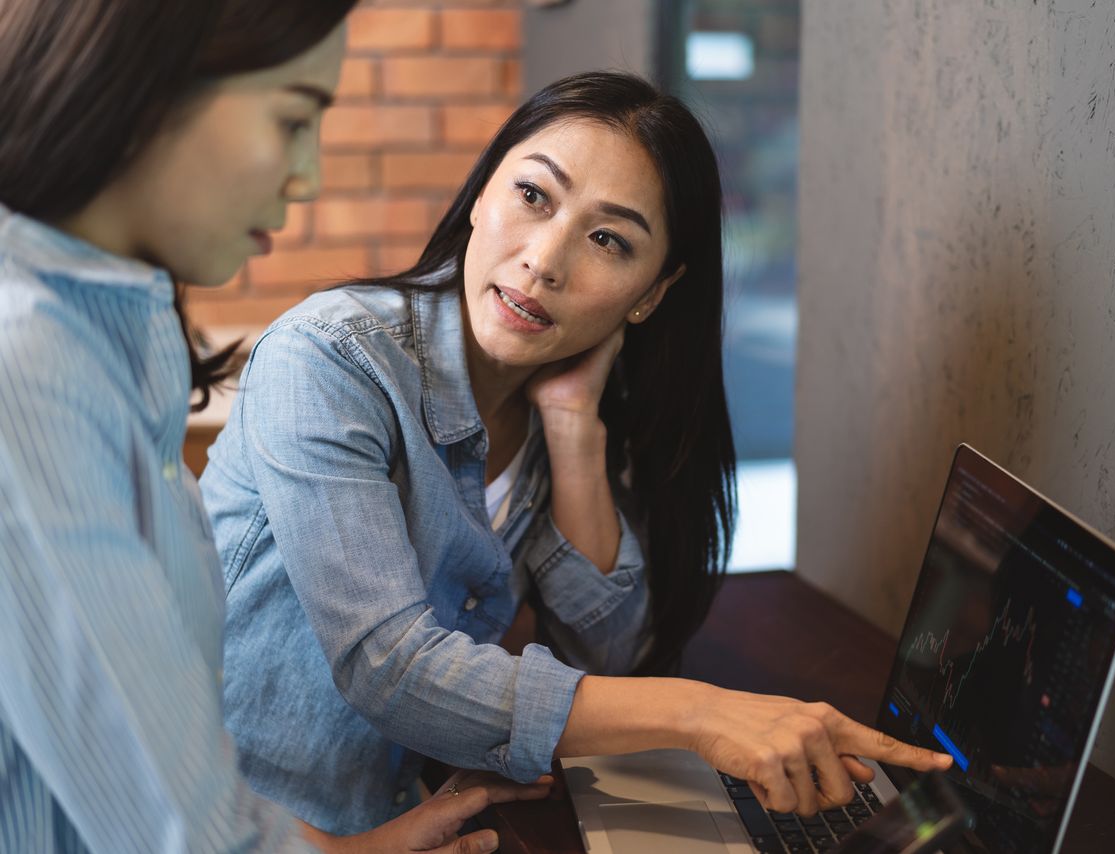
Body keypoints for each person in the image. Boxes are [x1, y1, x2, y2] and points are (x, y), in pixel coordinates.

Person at [200, 70, 953, 836]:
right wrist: (700, 713)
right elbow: (389, 666)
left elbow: (607, 658)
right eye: (534, 196)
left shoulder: (561, 398)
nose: (546, 260)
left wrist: (569, 428)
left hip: (410, 814)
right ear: (484, 190)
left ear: (651, 293)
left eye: (607, 240)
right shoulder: (330, 358)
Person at [0, 1, 549, 851]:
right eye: (294, 118)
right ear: (147, 90)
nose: (307, 178)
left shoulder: (122, 322)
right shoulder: (27, 364)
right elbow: (176, 829)